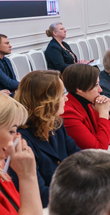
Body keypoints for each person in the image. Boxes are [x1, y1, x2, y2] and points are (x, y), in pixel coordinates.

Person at [9, 70, 80, 207]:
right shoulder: (21, 140)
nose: (66, 99)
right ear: (46, 100)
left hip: (63, 202)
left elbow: (78, 157)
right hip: (47, 211)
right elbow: (40, 195)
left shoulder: (55, 124)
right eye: (62, 94)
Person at [61, 63, 110, 150]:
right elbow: (99, 149)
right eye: (96, 85)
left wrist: (108, 112)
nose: (100, 90)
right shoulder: (68, 113)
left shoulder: (91, 103)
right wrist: (103, 113)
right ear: (79, 88)